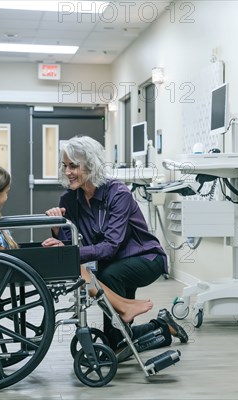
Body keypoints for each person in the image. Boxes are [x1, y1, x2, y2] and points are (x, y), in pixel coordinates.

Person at [44, 136, 188, 350]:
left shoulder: (118, 193)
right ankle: (162, 327)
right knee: (117, 337)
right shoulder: (69, 200)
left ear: (91, 165)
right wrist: (58, 229)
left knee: (107, 277)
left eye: (73, 166)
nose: (67, 172)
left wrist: (71, 253)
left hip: (145, 258)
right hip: (113, 264)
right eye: (65, 166)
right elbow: (72, 245)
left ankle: (136, 330)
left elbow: (110, 246)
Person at [0, 162, 153, 323]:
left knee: (79, 269)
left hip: (12, 264)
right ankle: (123, 306)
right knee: (76, 268)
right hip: (10, 266)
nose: (7, 197)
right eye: (6, 193)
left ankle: (123, 305)